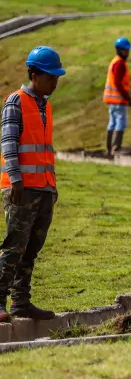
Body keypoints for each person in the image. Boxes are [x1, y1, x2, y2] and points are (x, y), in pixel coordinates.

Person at [0, 46, 67, 323]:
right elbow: (8, 143)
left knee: (31, 249)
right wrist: (15, 178)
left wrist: (52, 187)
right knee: (14, 246)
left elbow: (44, 151)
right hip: (20, 189)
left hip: (43, 188)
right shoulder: (16, 101)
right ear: (35, 75)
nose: (55, 82)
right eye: (51, 77)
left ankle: (21, 303)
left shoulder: (45, 106)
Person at [103, 37, 131, 157]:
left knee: (112, 122)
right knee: (120, 123)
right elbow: (118, 83)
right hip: (118, 100)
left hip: (112, 100)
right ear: (119, 50)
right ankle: (116, 148)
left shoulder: (115, 61)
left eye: (128, 50)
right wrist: (127, 98)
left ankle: (110, 148)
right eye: (125, 50)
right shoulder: (120, 64)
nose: (127, 53)